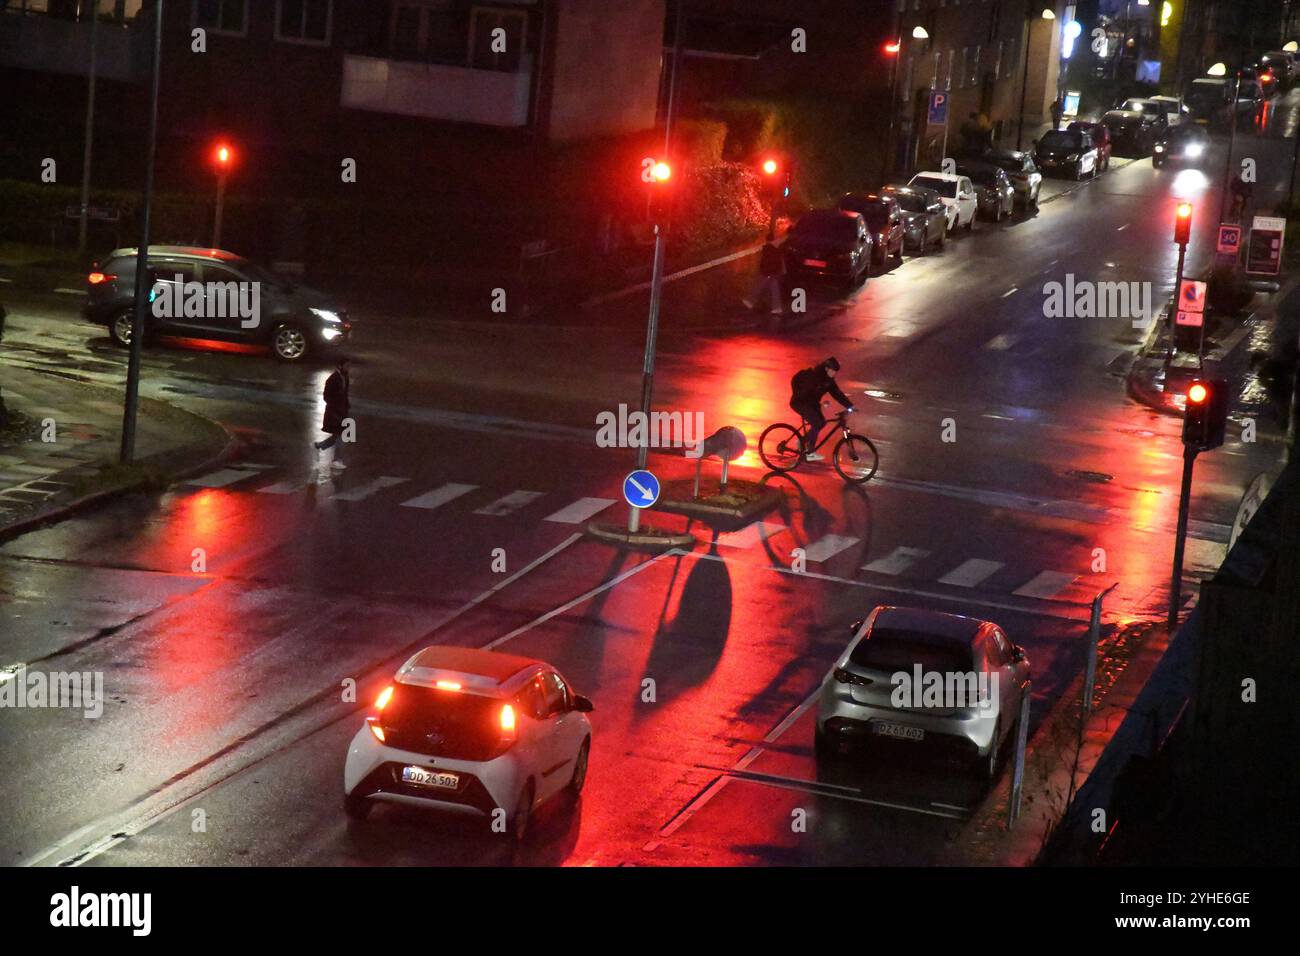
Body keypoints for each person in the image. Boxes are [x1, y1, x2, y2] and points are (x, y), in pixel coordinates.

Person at [789, 356, 853, 461]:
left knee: (822, 422)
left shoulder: (829, 381)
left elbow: (837, 394)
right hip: (800, 403)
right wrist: (818, 405)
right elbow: (806, 394)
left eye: (835, 372)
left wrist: (850, 406)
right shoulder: (814, 377)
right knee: (816, 423)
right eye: (833, 371)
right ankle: (810, 453)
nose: (834, 374)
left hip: (811, 403)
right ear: (827, 368)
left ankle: (802, 441)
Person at [313, 356, 351, 478]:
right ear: (341, 365)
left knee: (339, 435)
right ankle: (336, 460)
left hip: (342, 411)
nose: (349, 368)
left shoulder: (344, 377)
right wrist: (335, 407)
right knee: (341, 435)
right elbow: (327, 396)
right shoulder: (333, 379)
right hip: (335, 412)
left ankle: (320, 446)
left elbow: (345, 394)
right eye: (347, 365)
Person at [744, 241, 786, 314]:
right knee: (770, 283)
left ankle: (751, 301)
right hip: (772, 269)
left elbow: (771, 259)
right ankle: (751, 301)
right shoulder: (775, 247)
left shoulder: (771, 248)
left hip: (771, 269)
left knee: (765, 283)